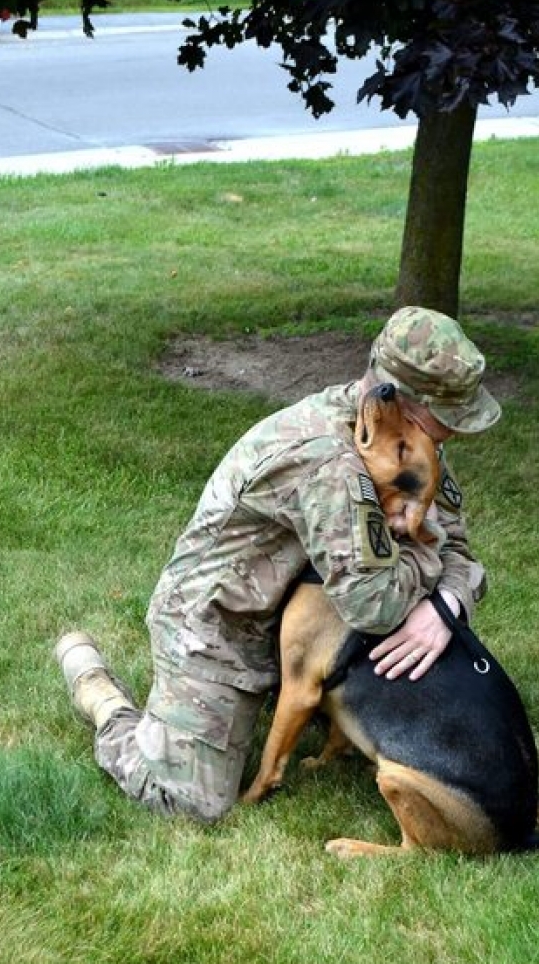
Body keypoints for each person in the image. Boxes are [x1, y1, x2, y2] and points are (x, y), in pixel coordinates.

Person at [56, 306, 501, 823]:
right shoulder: (330, 467)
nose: (452, 436)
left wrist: (445, 607)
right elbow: (374, 605)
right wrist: (426, 549)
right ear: (398, 402)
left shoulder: (407, 444)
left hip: (294, 616)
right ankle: (103, 698)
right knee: (192, 803)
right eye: (446, 420)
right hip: (218, 627)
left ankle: (301, 694)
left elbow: (460, 553)